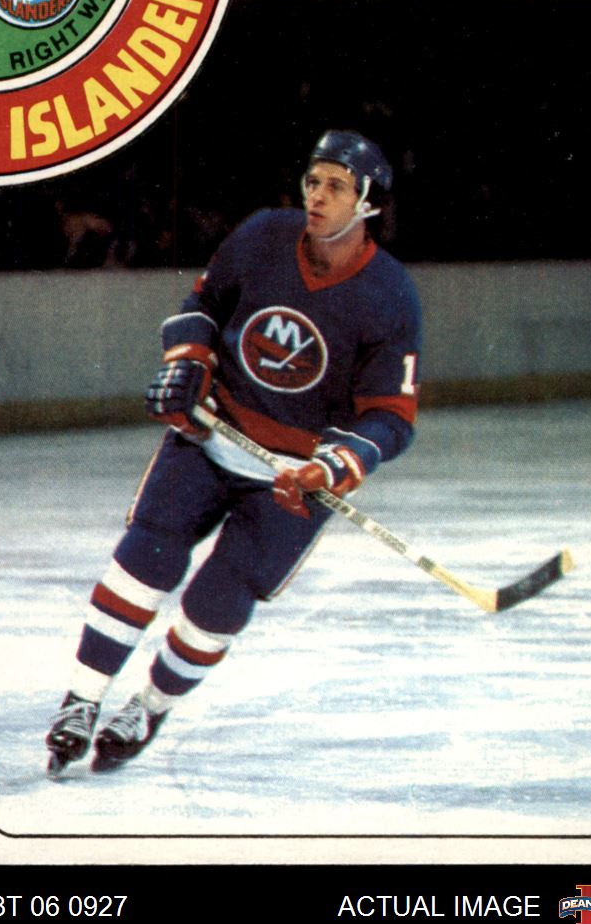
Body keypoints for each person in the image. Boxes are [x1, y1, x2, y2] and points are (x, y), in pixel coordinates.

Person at [45, 129, 423, 776]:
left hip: (292, 478)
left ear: (368, 202)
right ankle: (81, 700)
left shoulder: (390, 294)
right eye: (313, 180)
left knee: (217, 603)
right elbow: (203, 304)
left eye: (336, 186)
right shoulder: (264, 236)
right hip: (211, 435)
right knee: (145, 557)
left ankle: (149, 707)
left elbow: (390, 415)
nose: (317, 195)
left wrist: (334, 465)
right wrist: (189, 363)